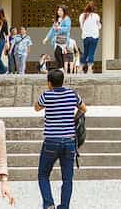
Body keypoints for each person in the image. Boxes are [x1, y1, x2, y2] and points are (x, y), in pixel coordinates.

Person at [35, 69, 87, 209]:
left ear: (49, 83)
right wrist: (74, 117)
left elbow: (36, 108)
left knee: (43, 174)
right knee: (67, 178)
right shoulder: (72, 94)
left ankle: (49, 204)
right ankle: (64, 206)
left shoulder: (47, 95)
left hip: (51, 140)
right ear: (63, 81)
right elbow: (84, 108)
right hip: (69, 140)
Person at [78, 2, 101, 74]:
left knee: (85, 53)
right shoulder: (96, 16)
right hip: (94, 36)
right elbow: (99, 26)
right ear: (94, 9)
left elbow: (81, 27)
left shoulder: (82, 16)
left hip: (85, 36)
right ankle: (89, 69)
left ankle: (80, 68)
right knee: (91, 53)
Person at [48, 6, 73, 71]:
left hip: (63, 39)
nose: (59, 12)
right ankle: (61, 69)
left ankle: (61, 68)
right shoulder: (57, 19)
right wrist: (47, 38)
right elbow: (52, 29)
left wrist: (59, 28)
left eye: (61, 10)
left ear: (64, 11)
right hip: (57, 39)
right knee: (59, 54)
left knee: (57, 53)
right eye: (58, 10)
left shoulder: (67, 19)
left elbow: (67, 28)